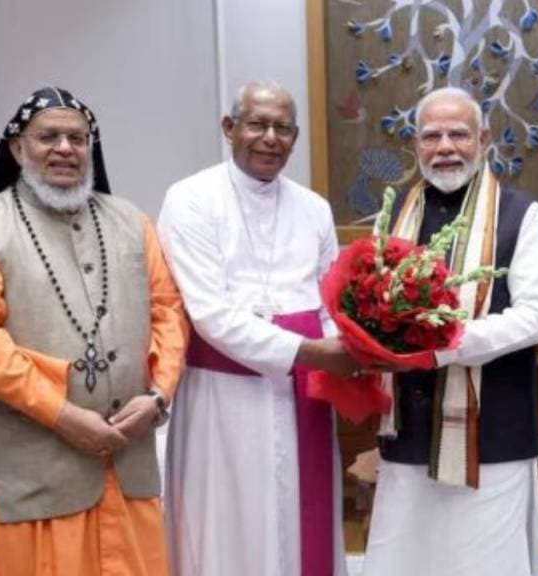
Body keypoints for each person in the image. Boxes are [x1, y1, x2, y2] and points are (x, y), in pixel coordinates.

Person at [0, 86, 188, 575]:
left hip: (129, 469)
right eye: (49, 137)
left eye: (78, 138)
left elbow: (168, 313)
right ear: (18, 148)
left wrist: (159, 397)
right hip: (39, 479)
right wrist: (62, 415)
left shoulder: (132, 222)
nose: (65, 148)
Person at [157, 80, 355, 576]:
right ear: (229, 128)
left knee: (299, 524)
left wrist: (348, 344)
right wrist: (310, 352)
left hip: (304, 397)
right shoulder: (191, 199)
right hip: (222, 401)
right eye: (257, 124)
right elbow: (209, 313)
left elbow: (330, 296)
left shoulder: (313, 208)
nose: (270, 137)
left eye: (283, 128)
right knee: (228, 529)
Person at [361, 87, 538, 576]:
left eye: (458, 134)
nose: (445, 146)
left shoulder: (519, 212)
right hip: (406, 435)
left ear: (484, 139)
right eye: (432, 135)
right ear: (415, 145)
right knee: (404, 562)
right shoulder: (394, 219)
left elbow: (537, 316)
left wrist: (441, 348)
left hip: (494, 437)